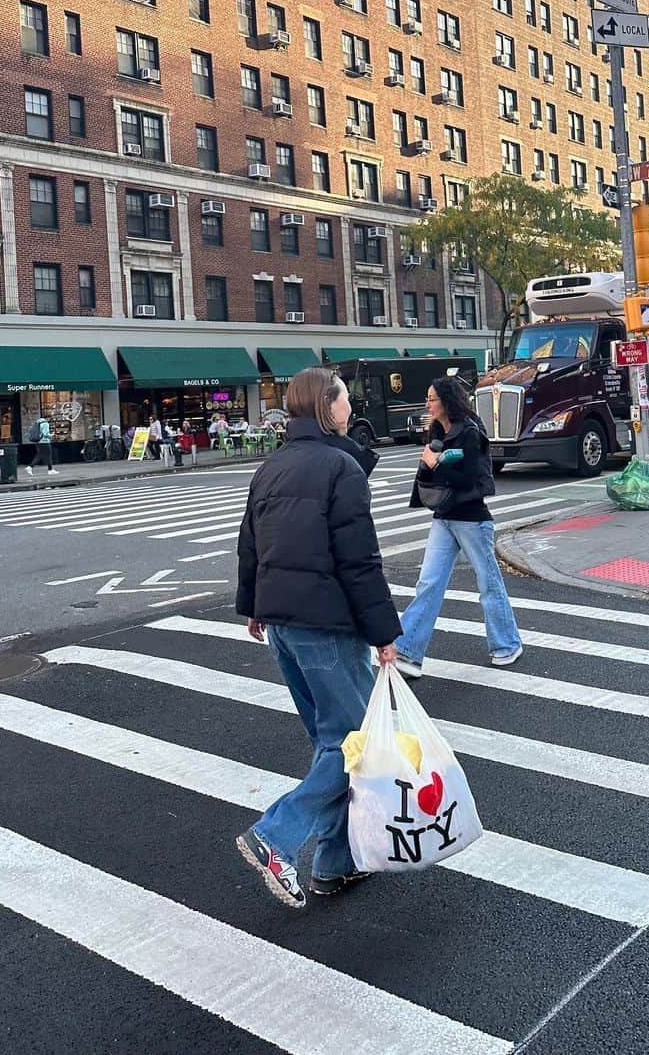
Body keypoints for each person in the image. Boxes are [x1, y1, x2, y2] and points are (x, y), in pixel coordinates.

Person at [235, 367, 401, 910]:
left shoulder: (272, 467)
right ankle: (276, 836)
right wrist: (384, 633)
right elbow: (359, 561)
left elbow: (250, 545)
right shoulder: (339, 468)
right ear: (326, 407)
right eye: (345, 400)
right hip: (325, 626)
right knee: (357, 746)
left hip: (281, 626)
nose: (351, 409)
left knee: (334, 744)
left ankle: (335, 863)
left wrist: (254, 609)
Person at [394, 376, 523, 677]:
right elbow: (432, 480)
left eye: (431, 398)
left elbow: (469, 479)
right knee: (428, 583)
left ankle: (506, 645)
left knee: (488, 583)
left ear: (447, 401)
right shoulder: (437, 432)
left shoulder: (470, 431)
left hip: (471, 519)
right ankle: (408, 650)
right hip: (443, 516)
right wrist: (428, 465)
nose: (427, 404)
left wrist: (437, 463)